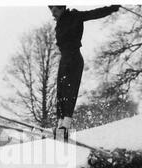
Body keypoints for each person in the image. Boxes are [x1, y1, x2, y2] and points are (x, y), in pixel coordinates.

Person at [49, 5, 121, 141]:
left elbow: (95, 13)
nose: (53, 15)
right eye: (51, 11)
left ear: (62, 8)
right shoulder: (58, 24)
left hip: (74, 58)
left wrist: (113, 8)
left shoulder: (75, 16)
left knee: (70, 91)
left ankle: (66, 125)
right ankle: (59, 124)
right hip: (64, 59)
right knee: (61, 92)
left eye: (54, 11)